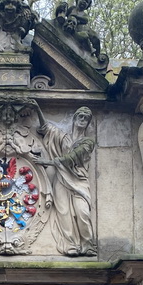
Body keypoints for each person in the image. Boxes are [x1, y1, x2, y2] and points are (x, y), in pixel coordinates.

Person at [35, 105, 96, 256]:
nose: (82, 120)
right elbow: (46, 128)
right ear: (74, 119)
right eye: (80, 116)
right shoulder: (63, 136)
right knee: (63, 212)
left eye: (86, 118)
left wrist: (49, 162)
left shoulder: (87, 142)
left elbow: (73, 157)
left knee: (82, 212)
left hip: (79, 181)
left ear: (88, 123)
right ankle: (70, 245)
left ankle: (87, 244)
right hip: (61, 179)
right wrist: (37, 108)